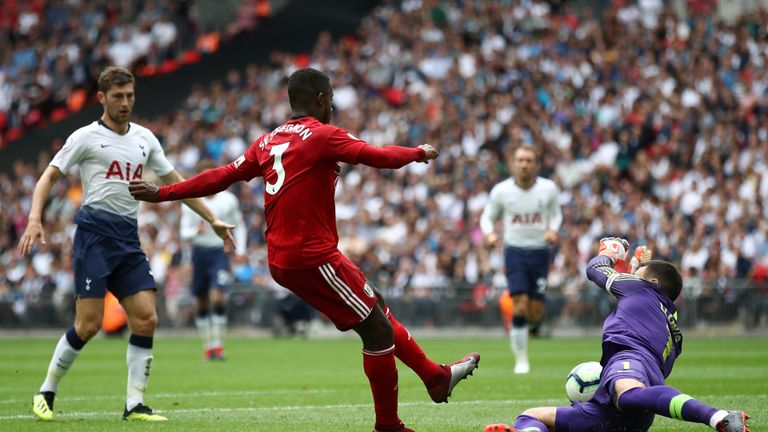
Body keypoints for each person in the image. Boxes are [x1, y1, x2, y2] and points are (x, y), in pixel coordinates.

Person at [129, 67, 480, 432]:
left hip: (285, 257)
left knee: (376, 303)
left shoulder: (267, 141)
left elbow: (222, 175)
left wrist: (165, 192)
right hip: (311, 256)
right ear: (323, 99)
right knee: (377, 331)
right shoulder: (323, 135)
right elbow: (377, 156)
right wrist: (418, 152)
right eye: (332, 100)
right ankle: (388, 424)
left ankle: (433, 377)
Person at [19, 66, 235, 422]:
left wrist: (211, 218)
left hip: (128, 237)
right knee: (88, 325)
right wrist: (33, 218)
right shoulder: (86, 137)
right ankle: (46, 390)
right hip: (94, 235)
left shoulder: (146, 139)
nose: (125, 103)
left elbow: (177, 182)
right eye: (118, 96)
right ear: (102, 98)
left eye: (130, 96)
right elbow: (49, 177)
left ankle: (134, 403)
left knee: (146, 318)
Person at [484, 238, 750, 432]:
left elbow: (595, 269)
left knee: (627, 392)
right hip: (632, 416)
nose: (633, 275)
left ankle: (718, 416)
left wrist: (611, 251)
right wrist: (636, 264)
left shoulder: (640, 290)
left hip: (629, 362)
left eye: (638, 274)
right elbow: (633, 294)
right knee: (532, 417)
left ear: (651, 282)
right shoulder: (672, 324)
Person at [479, 146, 562, 374]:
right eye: (520, 160)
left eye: (529, 160)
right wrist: (490, 234)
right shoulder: (501, 191)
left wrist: (553, 230)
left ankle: (525, 323)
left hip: (540, 252)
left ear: (536, 164)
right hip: (514, 251)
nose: (524, 164)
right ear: (513, 164)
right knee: (520, 306)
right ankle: (521, 360)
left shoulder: (548, 189)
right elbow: (487, 216)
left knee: (534, 313)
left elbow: (556, 214)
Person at [180, 161, 246, 360]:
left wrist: (240, 250)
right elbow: (184, 232)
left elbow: (239, 225)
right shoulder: (192, 199)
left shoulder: (228, 200)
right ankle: (208, 346)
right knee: (201, 301)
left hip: (220, 251)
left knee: (217, 296)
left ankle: (218, 345)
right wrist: (195, 232)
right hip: (200, 252)